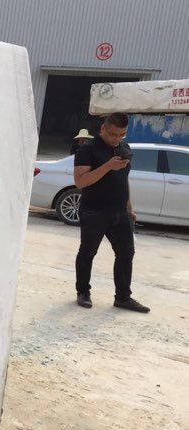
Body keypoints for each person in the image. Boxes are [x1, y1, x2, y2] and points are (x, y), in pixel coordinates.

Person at [73, 113, 149, 313]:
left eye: (121, 134)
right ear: (103, 129)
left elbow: (123, 180)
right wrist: (107, 166)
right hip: (94, 211)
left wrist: (129, 207)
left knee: (126, 253)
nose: (117, 138)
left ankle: (123, 297)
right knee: (88, 252)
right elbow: (80, 182)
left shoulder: (125, 148)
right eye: (113, 134)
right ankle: (83, 292)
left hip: (120, 212)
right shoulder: (87, 149)